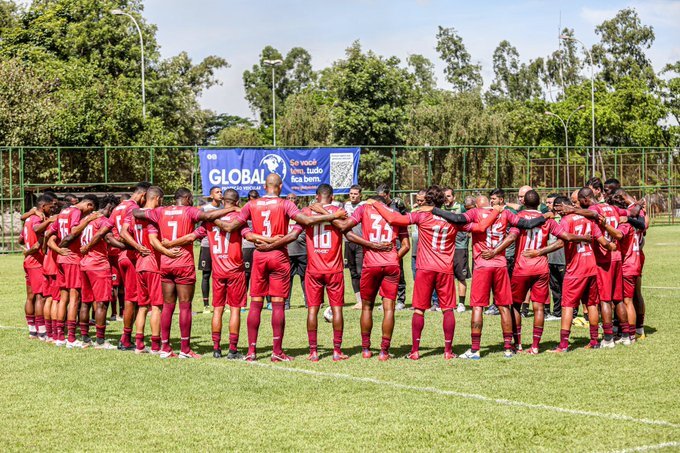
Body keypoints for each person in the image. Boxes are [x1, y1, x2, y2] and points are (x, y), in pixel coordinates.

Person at [217, 174, 346, 362]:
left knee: (256, 303)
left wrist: (213, 219)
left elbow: (232, 227)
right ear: (280, 186)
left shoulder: (251, 205)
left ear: (264, 185)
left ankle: (252, 352)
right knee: (278, 304)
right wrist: (334, 215)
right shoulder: (286, 204)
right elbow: (306, 221)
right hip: (279, 255)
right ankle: (276, 351)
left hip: (259, 255)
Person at [373, 186, 499, 360]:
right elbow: (480, 228)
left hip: (425, 268)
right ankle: (448, 351)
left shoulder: (421, 216)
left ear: (428, 200)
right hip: (445, 270)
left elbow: (393, 218)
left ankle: (415, 351)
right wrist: (496, 211)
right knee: (448, 310)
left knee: (419, 310)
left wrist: (375, 204)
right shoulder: (454, 220)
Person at [432, 194, 551, 359]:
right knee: (504, 307)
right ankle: (508, 348)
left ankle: (475, 349)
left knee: (478, 307)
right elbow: (527, 224)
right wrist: (545, 216)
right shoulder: (506, 213)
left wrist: (435, 210)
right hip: (501, 264)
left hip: (482, 264)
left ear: (477, 205)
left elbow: (457, 219)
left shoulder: (475, 213)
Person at [132, 187, 234, 359]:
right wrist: (232, 208)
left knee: (168, 306)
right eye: (191, 198)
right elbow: (209, 216)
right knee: (185, 306)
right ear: (186, 198)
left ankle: (165, 348)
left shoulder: (160, 211)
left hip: (165, 262)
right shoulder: (189, 211)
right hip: (183, 262)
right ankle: (185, 349)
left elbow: (137, 213)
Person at [502, 190, 591, 354]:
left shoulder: (518, 217)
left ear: (523, 203)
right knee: (539, 307)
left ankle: (519, 344)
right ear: (539, 204)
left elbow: (512, 236)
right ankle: (535, 346)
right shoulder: (547, 220)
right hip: (541, 267)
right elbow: (565, 237)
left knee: (515, 305)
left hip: (521, 266)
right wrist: (584, 238)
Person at [277, 184, 351, 362]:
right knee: (337, 309)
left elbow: (294, 234)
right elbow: (345, 227)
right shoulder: (338, 210)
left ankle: (313, 352)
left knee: (312, 310)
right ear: (331, 197)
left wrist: (273, 243)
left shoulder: (307, 212)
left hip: (314, 268)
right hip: (334, 268)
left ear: (317, 197)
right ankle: (336, 350)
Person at [201, 189, 273, 359]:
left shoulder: (211, 219)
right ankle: (232, 349)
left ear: (224, 200)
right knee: (235, 310)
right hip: (235, 271)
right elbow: (249, 236)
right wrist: (270, 240)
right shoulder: (238, 219)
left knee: (217, 310)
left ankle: (216, 348)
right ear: (237, 202)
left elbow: (193, 234)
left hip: (217, 270)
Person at [540, 196, 616, 352]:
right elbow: (603, 242)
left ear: (563, 206)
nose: (555, 211)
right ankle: (594, 341)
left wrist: (539, 252)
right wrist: (613, 246)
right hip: (591, 267)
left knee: (567, 306)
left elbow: (562, 242)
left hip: (575, 269)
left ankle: (563, 345)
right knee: (592, 304)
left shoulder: (566, 221)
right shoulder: (588, 219)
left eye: (557, 208)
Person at [45, 195, 98, 348]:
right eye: (90, 210)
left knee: (63, 298)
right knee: (74, 298)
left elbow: (50, 236)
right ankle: (72, 339)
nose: (89, 213)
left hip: (62, 260)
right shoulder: (75, 212)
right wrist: (88, 220)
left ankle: (60, 337)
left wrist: (58, 250)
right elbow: (74, 231)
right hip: (72, 259)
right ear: (88, 205)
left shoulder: (63, 212)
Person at [109, 182, 151, 350]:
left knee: (130, 297)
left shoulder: (117, 208)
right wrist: (135, 246)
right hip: (133, 257)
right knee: (132, 299)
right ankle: (126, 338)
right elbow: (127, 232)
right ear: (142, 195)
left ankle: (128, 337)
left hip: (122, 256)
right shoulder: (133, 208)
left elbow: (109, 233)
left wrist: (121, 245)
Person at [77, 195, 123, 349]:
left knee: (85, 302)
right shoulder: (103, 221)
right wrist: (129, 246)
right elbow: (109, 239)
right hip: (98, 265)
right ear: (110, 207)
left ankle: (84, 338)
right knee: (102, 304)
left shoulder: (88, 219)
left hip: (84, 263)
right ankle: (101, 341)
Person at [20, 195, 56, 340]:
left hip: (28, 261)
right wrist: (49, 222)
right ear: (43, 206)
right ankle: (42, 332)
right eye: (51, 206)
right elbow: (36, 234)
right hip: (36, 262)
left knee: (30, 297)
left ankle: (32, 331)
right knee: (40, 296)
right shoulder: (38, 219)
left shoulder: (29, 218)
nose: (52, 209)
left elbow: (20, 239)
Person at [376, 184, 408, 310]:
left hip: (397, 240)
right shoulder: (377, 204)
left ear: (388, 195)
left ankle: (400, 300)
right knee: (381, 271)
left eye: (383, 197)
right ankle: (384, 299)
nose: (381, 200)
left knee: (398, 270)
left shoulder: (398, 203)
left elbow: (406, 218)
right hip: (382, 240)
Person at [198, 186, 224, 313]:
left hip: (221, 246)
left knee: (220, 275)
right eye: (217, 192)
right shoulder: (205, 209)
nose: (220, 194)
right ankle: (206, 305)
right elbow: (199, 227)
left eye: (221, 192)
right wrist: (203, 240)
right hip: (208, 245)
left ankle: (221, 303)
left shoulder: (225, 208)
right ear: (211, 195)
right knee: (206, 274)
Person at [343, 184, 365, 309]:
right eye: (351, 193)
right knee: (352, 272)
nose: (353, 196)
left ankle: (366, 299)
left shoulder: (364, 206)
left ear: (360, 195)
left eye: (355, 194)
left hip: (361, 242)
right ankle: (359, 301)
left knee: (361, 271)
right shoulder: (344, 206)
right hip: (347, 242)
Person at [544, 194, 565, 320]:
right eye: (546, 202)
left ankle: (571, 313)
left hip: (563, 259)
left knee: (565, 288)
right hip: (551, 259)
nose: (548, 205)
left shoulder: (563, 218)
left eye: (550, 202)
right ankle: (557, 313)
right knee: (554, 288)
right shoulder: (546, 218)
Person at [285, 193, 307, 310]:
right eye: (288, 198)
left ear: (297, 201)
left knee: (305, 278)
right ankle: (286, 303)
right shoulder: (283, 215)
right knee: (288, 279)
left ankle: (309, 302)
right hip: (288, 253)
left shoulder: (301, 215)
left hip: (302, 251)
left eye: (293, 198)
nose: (291, 200)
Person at [242, 190, 260, 290]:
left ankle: (269, 301)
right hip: (248, 246)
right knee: (247, 274)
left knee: (261, 274)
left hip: (260, 245)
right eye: (251, 200)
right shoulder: (245, 209)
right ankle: (243, 301)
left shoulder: (261, 209)